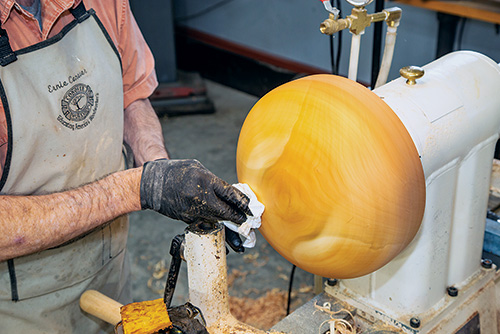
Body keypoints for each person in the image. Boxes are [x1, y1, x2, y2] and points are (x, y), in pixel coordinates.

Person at [0, 0, 251, 333]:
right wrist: (137, 188)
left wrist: (162, 172)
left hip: (108, 266)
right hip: (18, 306)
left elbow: (131, 95)